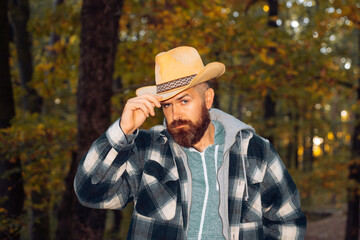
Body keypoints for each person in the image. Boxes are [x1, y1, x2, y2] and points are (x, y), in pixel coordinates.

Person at [74, 46, 306, 240]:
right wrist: (122, 132)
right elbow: (90, 191)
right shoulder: (149, 149)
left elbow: (288, 219)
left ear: (207, 99)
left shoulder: (254, 151)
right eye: (167, 105)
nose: (175, 114)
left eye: (184, 100)